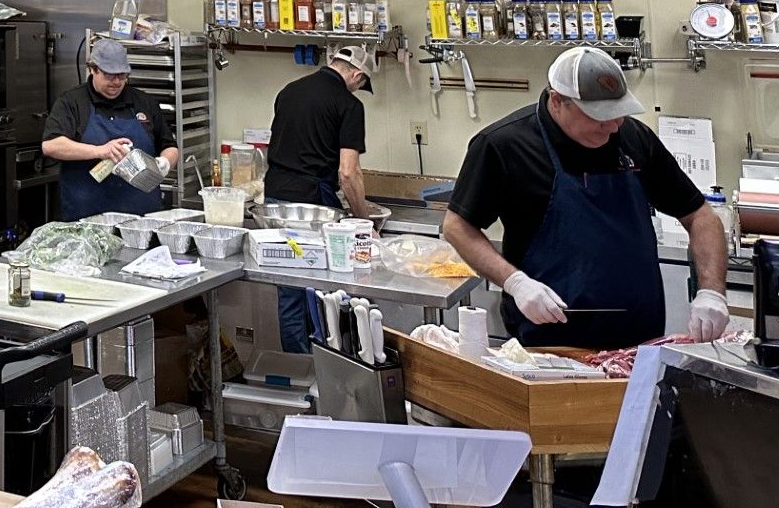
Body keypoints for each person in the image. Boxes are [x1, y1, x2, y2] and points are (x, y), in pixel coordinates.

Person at [442, 44, 729, 349]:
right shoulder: (503, 146)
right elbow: (457, 226)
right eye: (598, 116)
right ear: (557, 101)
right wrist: (516, 282)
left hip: (640, 343)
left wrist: (712, 291)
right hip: (550, 344)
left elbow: (700, 216)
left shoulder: (633, 137)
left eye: (618, 113)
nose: (613, 125)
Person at [265, 43, 378, 350]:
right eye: (361, 84)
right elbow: (348, 173)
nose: (358, 90)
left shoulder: (289, 90)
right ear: (356, 75)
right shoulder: (349, 105)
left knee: (290, 291)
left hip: (275, 202)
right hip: (313, 208)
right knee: (326, 293)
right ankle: (327, 373)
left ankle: (298, 376)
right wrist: (364, 221)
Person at [43, 37, 179, 220]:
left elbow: (170, 146)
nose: (116, 82)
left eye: (122, 75)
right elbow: (51, 146)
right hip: (88, 219)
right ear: (93, 69)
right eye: (109, 75)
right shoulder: (72, 102)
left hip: (141, 220)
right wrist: (100, 151)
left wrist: (164, 164)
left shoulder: (144, 102)